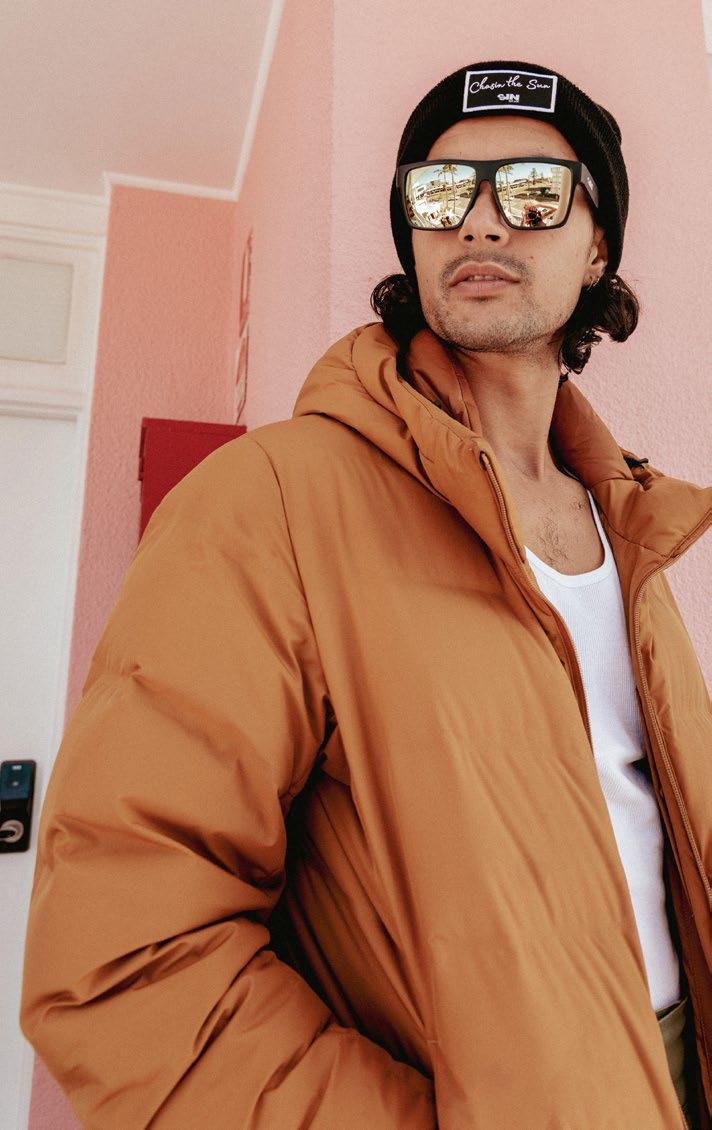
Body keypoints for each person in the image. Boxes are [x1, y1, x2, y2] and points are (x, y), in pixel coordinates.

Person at [19, 58, 711, 1129]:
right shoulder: (271, 501)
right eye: (441, 191)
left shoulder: (635, 535)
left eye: (534, 190)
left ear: (598, 246)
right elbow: (121, 960)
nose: (479, 219)